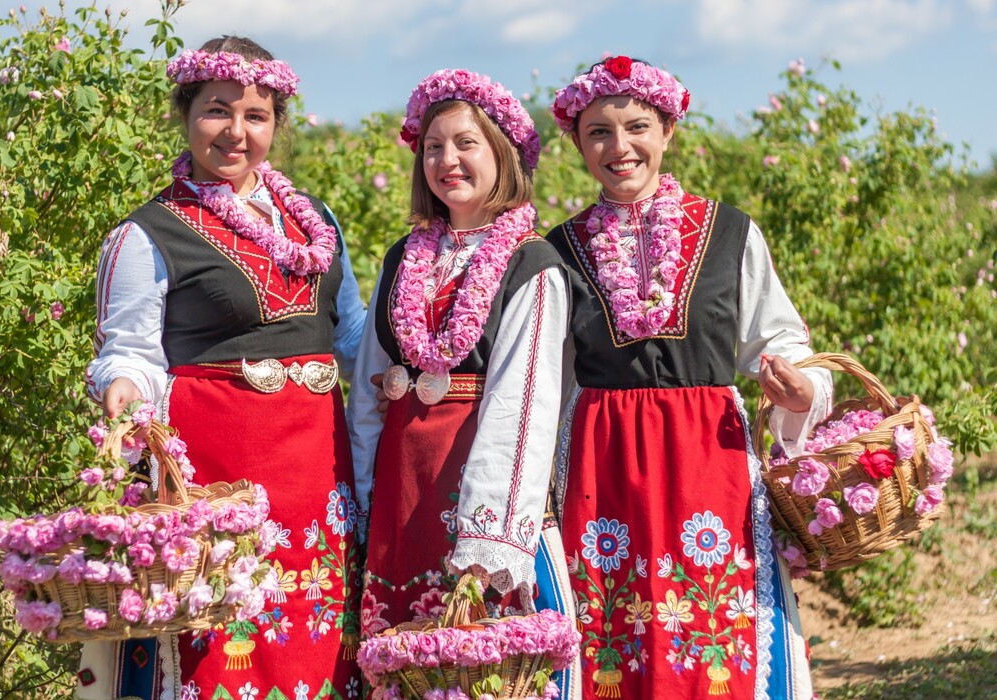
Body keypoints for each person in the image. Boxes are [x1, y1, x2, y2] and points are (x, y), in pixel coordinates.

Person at [78, 36, 365, 700]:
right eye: (217, 111)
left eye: (256, 116)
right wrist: (122, 384)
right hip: (219, 475)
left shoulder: (317, 222)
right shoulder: (148, 233)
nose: (236, 132)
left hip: (320, 478)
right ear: (186, 115)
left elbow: (351, 334)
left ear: (275, 126)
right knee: (224, 648)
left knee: (317, 639)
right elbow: (129, 352)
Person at [542, 56, 833, 700]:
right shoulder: (554, 252)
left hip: (710, 460)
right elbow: (543, 381)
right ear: (577, 143)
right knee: (611, 629)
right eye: (599, 132)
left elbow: (782, 339)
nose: (620, 148)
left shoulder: (731, 232)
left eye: (638, 127)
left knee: (717, 625)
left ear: (668, 131)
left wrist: (801, 389)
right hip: (601, 466)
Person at [347, 69, 571, 640]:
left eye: (465, 143)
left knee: (469, 655)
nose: (447, 160)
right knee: (400, 651)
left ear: (502, 153)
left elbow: (524, 403)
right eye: (433, 147)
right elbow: (371, 381)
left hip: (472, 478)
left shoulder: (532, 264)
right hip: (403, 485)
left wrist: (488, 534)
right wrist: (366, 496)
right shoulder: (404, 255)